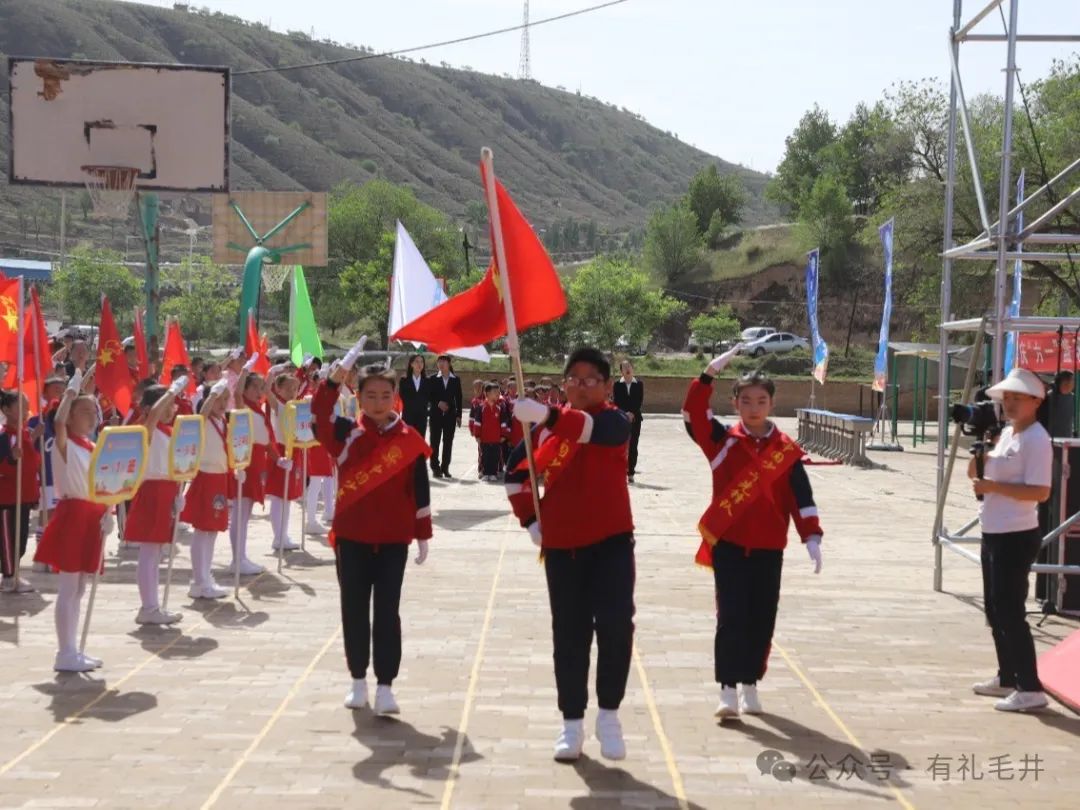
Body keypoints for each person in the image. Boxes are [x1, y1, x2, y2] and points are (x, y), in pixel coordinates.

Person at [505, 348, 635, 763]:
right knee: (570, 634)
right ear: (564, 384)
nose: (581, 385)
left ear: (608, 386)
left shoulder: (614, 420)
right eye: (574, 379)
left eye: (591, 379)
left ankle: (609, 716)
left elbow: (589, 430)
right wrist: (529, 519)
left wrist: (546, 416)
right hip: (562, 547)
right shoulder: (541, 430)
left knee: (616, 628)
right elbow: (515, 474)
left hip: (612, 542)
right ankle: (572, 723)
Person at [683, 346, 824, 720]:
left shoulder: (786, 450)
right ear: (735, 404)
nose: (754, 407)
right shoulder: (721, 442)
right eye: (746, 401)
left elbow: (801, 497)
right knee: (730, 616)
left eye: (761, 400)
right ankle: (727, 689)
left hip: (768, 548)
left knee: (762, 618)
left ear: (772, 405)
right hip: (729, 546)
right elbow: (694, 413)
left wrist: (812, 536)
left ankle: (750, 684)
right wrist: (710, 372)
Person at [312, 351, 432, 716]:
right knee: (353, 609)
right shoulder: (346, 433)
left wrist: (423, 533)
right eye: (370, 396)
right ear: (358, 397)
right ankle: (357, 681)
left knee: (387, 611)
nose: (378, 403)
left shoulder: (409, 438)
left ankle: (385, 686)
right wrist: (333, 381)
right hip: (352, 538)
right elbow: (317, 415)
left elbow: (420, 488)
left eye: (385, 396)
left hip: (394, 539)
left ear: (395, 397)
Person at [969, 367, 1052, 713]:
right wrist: (979, 458)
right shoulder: (1006, 434)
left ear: (1036, 401)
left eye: (1019, 398)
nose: (1011, 404)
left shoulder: (1037, 439)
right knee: (994, 608)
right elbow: (978, 472)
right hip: (993, 531)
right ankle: (1007, 676)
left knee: (1010, 611)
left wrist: (993, 486)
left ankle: (1030, 687)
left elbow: (1041, 491)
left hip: (1016, 536)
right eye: (1008, 398)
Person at [33, 369, 109, 672]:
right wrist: (70, 392)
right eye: (85, 412)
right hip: (73, 514)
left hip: (92, 514)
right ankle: (64, 652)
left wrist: (107, 512)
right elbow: (59, 421)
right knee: (68, 586)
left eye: (94, 411)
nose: (91, 417)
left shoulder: (92, 446)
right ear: (72, 415)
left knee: (79, 588)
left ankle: (74, 648)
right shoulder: (65, 443)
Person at [122, 378, 187, 625]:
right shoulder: (145, 428)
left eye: (174, 405)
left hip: (167, 491)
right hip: (151, 491)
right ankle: (148, 607)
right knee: (149, 552)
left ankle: (153, 604)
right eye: (168, 405)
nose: (173, 409)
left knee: (157, 552)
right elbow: (153, 415)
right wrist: (171, 391)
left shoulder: (169, 431)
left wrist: (178, 493)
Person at [180, 380, 232, 599]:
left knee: (212, 531)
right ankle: (199, 581)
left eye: (224, 399)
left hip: (220, 478)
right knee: (202, 530)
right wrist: (212, 396)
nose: (222, 404)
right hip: (206, 478)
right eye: (218, 399)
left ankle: (205, 577)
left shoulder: (223, 422)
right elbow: (202, 412)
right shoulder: (203, 420)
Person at [0, 391, 42, 593]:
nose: (26, 411)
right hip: (7, 498)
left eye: (27, 407)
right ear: (6, 410)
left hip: (24, 496)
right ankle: (8, 576)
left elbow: (31, 464)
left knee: (21, 540)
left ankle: (14, 572)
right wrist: (11, 460)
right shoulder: (3, 437)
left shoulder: (24, 433)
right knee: (8, 540)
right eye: (21, 407)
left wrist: (34, 438)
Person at [265, 367, 303, 551]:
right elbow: (266, 390)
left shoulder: (295, 406)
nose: (291, 392)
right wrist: (272, 372)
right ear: (278, 389)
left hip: (294, 450)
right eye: (287, 388)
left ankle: (283, 535)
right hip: (280, 451)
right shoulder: (278, 405)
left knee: (288, 498)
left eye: (294, 389)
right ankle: (277, 537)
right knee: (279, 497)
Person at [428, 355, 462, 479]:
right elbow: (428, 395)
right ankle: (435, 468)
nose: (441, 364)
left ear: (449, 363)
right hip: (435, 415)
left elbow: (459, 397)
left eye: (443, 362)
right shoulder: (432, 379)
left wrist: (458, 415)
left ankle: (445, 467)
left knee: (448, 442)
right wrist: (438, 403)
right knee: (434, 442)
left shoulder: (455, 379)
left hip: (450, 416)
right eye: (439, 362)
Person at [612, 361, 644, 483]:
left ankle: (631, 472)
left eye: (629, 366)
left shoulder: (639, 384)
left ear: (632, 368)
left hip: (635, 418)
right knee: (621, 446)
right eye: (625, 368)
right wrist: (625, 413)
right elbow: (617, 401)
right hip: (621, 418)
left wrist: (632, 413)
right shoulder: (617, 385)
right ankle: (620, 470)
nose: (627, 369)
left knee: (633, 446)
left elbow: (639, 401)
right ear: (621, 371)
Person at [471, 382, 510, 482]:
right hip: (484, 438)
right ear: (486, 394)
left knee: (495, 456)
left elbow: (504, 422)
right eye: (495, 392)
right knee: (485, 456)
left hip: (496, 438)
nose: (498, 394)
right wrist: (477, 435)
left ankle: (493, 473)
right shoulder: (481, 407)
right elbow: (477, 422)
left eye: (498, 392)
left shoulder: (500, 408)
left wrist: (504, 435)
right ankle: (485, 472)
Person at [398, 354, 431, 436]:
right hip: (408, 416)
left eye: (421, 362)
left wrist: (427, 412)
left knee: (420, 442)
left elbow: (430, 398)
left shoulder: (428, 381)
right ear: (411, 364)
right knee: (407, 442)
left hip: (422, 417)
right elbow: (402, 397)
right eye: (416, 362)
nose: (419, 364)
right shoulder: (404, 380)